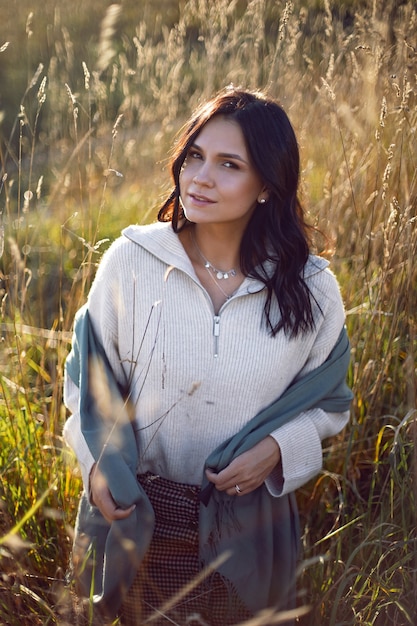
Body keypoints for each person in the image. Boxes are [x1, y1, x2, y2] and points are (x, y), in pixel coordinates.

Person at [63, 87, 353, 626]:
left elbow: (331, 403)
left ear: (267, 185)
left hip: (249, 530)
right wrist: (97, 464)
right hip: (139, 518)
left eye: (229, 164)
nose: (200, 177)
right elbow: (86, 386)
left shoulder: (312, 288)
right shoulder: (131, 261)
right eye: (194, 156)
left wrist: (278, 448)